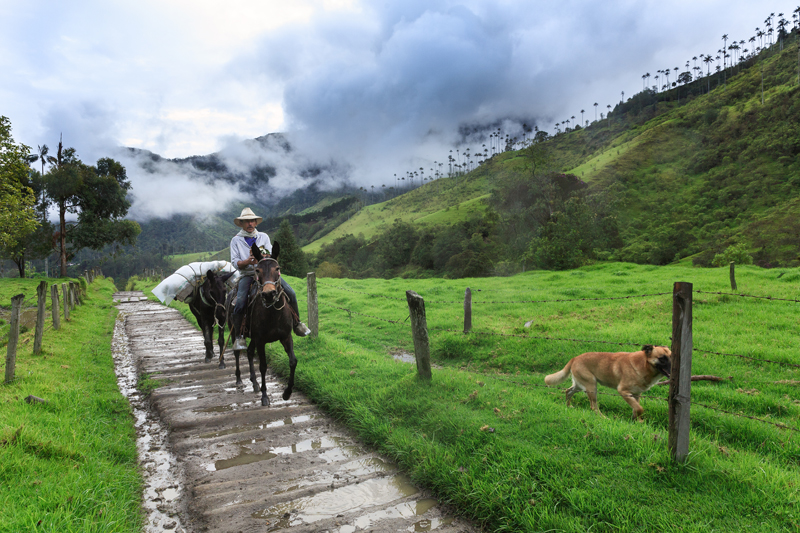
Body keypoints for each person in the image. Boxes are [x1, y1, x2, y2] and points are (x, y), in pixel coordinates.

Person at [230, 207, 310, 349]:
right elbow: (235, 262)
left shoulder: (264, 237)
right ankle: (239, 336)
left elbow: (271, 255)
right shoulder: (236, 240)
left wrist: (263, 260)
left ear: (256, 223)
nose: (250, 224)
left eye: (252, 221)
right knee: (240, 302)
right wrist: (249, 261)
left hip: (266, 273)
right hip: (247, 275)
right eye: (247, 221)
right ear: (241, 223)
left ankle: (297, 324)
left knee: (291, 293)